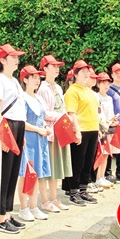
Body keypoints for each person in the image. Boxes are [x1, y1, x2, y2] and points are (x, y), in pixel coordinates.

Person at [0, 44, 27, 234]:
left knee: (13, 173)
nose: (16, 60)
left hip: (18, 126)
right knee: (3, 173)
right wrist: (3, 137)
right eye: (13, 57)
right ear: (3, 60)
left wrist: (22, 135)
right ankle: (0, 217)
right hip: (5, 126)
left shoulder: (14, 81)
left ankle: (9, 213)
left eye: (17, 57)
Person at [37, 55, 71, 212]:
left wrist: (65, 117)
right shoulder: (42, 89)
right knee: (48, 166)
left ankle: (54, 198)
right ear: (45, 69)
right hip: (49, 131)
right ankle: (45, 201)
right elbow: (43, 113)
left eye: (58, 66)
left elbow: (62, 107)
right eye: (53, 66)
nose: (57, 69)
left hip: (60, 130)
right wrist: (61, 117)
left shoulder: (58, 87)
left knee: (57, 166)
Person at [63, 60, 100, 206]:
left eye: (88, 71)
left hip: (92, 129)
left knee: (88, 162)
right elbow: (71, 113)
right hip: (81, 130)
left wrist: (98, 129)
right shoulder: (72, 91)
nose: (87, 74)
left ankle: (83, 189)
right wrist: (77, 131)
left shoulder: (89, 91)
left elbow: (95, 111)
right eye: (83, 72)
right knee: (77, 162)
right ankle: (73, 191)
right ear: (76, 74)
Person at [17, 65, 51, 222]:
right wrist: (38, 129)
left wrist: (44, 127)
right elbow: (21, 122)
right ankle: (23, 208)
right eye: (34, 77)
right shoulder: (21, 98)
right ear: (25, 80)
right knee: (25, 174)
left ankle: (33, 206)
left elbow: (41, 118)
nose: (37, 80)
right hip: (28, 139)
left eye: (38, 78)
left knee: (36, 173)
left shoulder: (38, 98)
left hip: (40, 139)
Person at [95, 71, 119, 189]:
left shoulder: (109, 98)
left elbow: (110, 113)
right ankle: (97, 178)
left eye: (107, 83)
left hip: (109, 128)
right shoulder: (96, 97)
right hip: (101, 128)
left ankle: (102, 176)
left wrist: (113, 120)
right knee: (101, 153)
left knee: (106, 154)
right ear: (98, 84)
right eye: (103, 83)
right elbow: (98, 114)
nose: (106, 85)